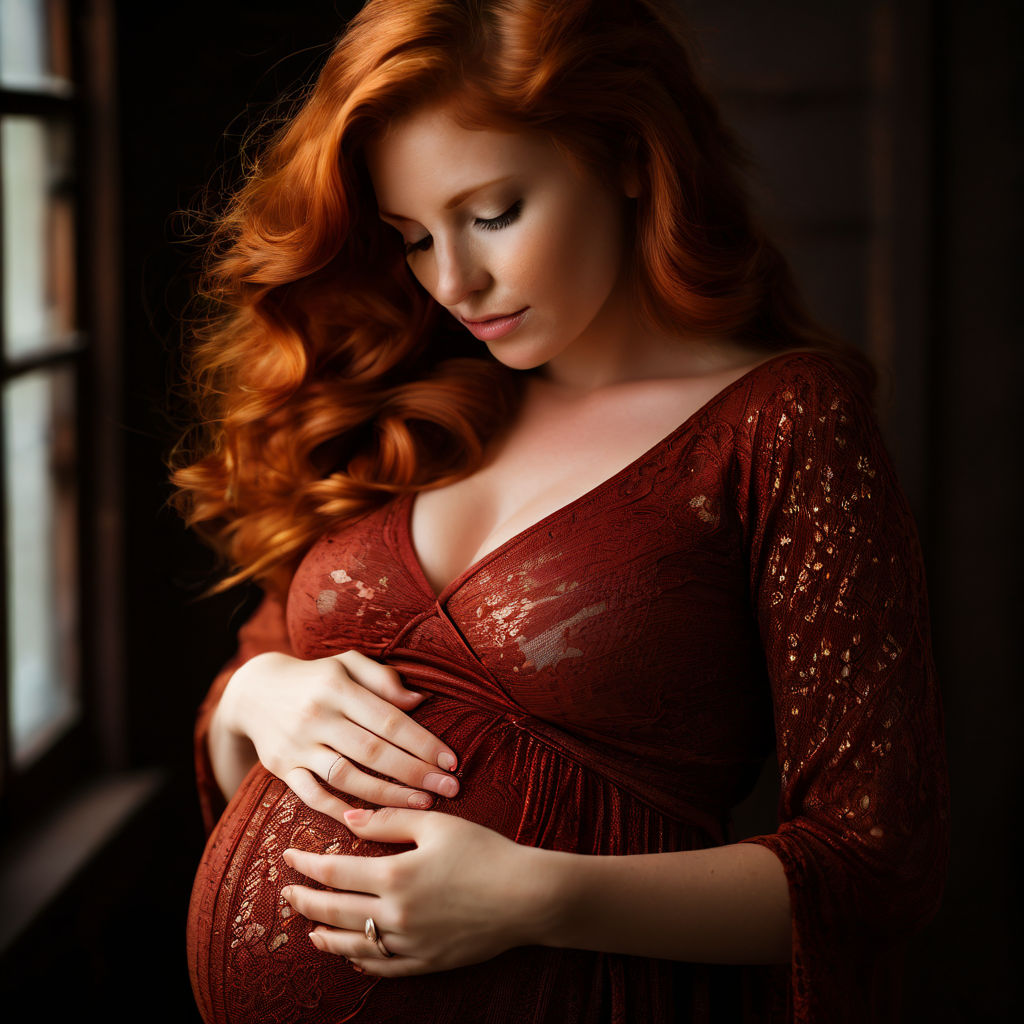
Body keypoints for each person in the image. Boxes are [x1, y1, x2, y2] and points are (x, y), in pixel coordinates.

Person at [174, 1, 949, 1021]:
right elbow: (247, 696)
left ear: (628, 153)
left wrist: (538, 897)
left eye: (493, 212)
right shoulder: (416, 394)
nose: (455, 281)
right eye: (411, 239)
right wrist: (258, 697)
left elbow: (875, 864)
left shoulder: (784, 424)